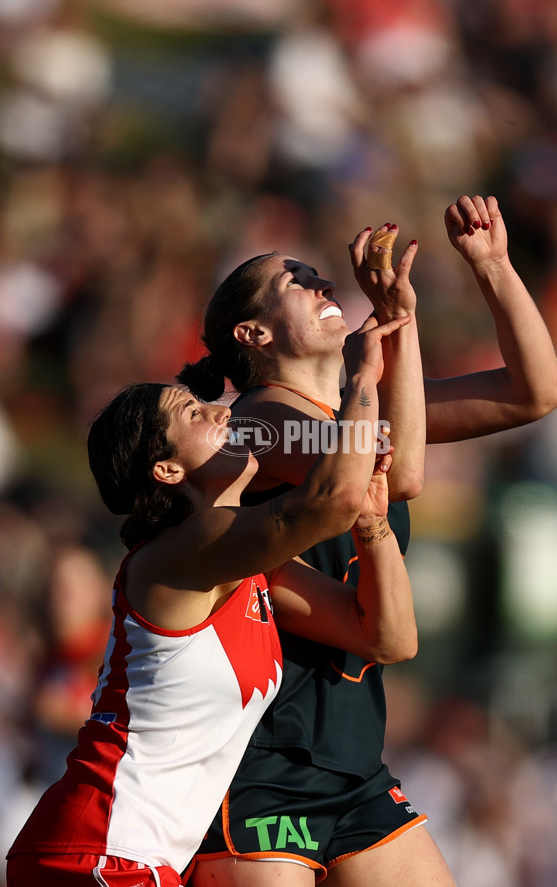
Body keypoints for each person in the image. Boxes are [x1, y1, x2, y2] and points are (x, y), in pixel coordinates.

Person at [177, 194, 557, 886]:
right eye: (293, 281)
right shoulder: (254, 427)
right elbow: (399, 472)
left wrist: (495, 267)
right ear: (253, 335)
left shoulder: (359, 416)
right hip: (261, 758)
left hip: (349, 755)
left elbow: (535, 391)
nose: (322, 283)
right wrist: (394, 322)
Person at [5, 312, 421, 887]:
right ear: (168, 469)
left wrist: (373, 525)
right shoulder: (178, 553)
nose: (226, 411)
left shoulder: (244, 563)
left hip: (130, 856)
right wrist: (360, 384)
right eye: (194, 414)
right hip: (99, 847)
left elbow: (388, 637)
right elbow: (329, 500)